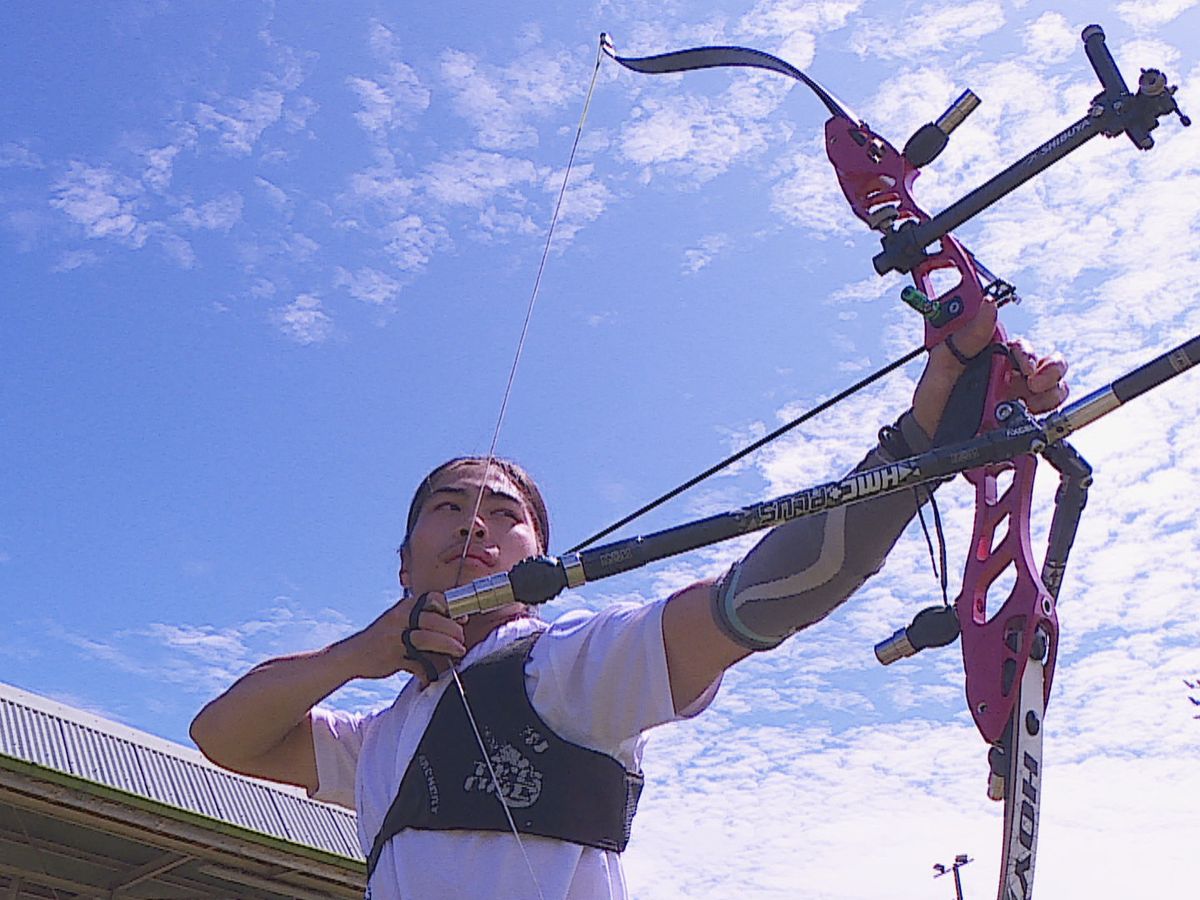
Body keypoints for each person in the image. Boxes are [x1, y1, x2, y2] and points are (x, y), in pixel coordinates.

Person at [190, 302, 1069, 899]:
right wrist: (361, 655)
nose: (474, 526)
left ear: (540, 558)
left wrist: (918, 446)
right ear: (405, 557)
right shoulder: (379, 735)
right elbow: (220, 735)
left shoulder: (560, 666)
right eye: (449, 508)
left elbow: (750, 606)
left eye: (505, 516)